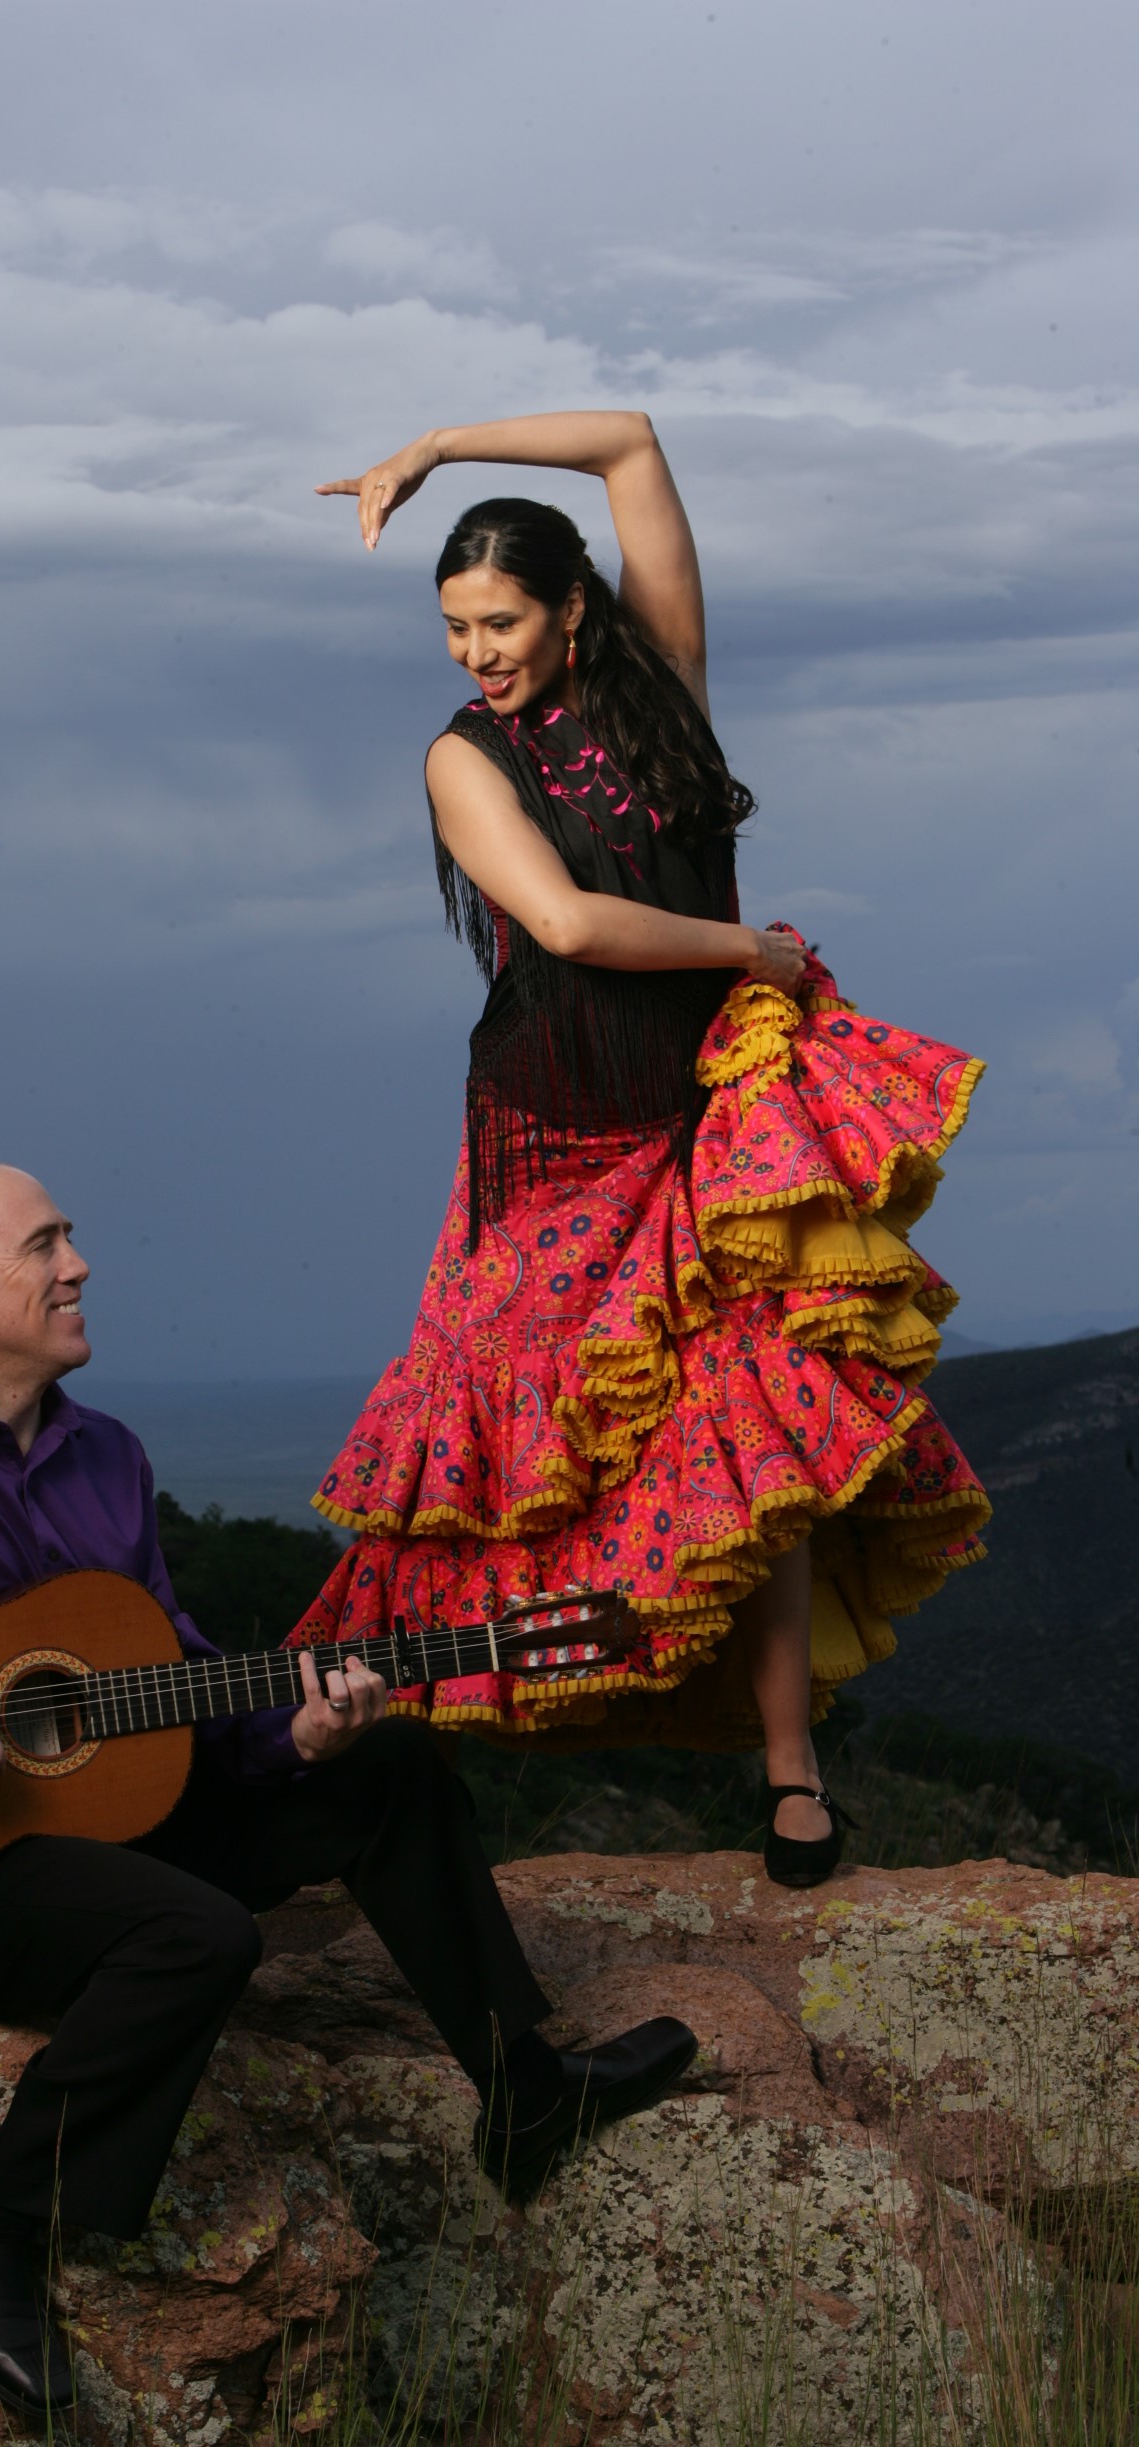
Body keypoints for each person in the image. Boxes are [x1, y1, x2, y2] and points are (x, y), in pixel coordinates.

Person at [0, 1159, 697, 2423]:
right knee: (195, 1935)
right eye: (43, 1244)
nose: (79, 1264)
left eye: (71, 1237)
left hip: (111, 1825)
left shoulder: (108, 1457)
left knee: (384, 1765)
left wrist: (294, 1739)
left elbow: (169, 1681)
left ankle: (523, 2092)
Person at [291, 412, 991, 1887]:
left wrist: (434, 446)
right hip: (554, 1136)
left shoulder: (665, 680)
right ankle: (313, 1764)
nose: (476, 651)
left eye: (500, 621)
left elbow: (629, 444)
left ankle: (793, 1775)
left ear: (573, 607)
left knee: (761, 1423)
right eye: (454, 628)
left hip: (708, 1116)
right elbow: (564, 925)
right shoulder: (461, 759)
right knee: (501, 1459)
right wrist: (753, 947)